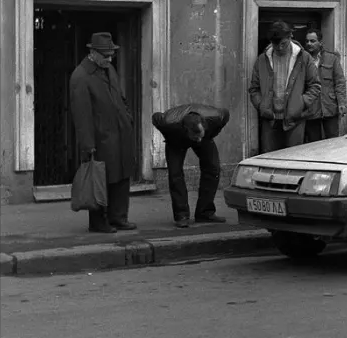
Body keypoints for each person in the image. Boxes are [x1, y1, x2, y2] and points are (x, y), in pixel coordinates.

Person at [69, 32, 137, 233]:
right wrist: (87, 145)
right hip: (101, 139)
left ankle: (118, 218)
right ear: (92, 53)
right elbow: (81, 116)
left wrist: (128, 118)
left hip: (121, 134)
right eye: (105, 55)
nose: (110, 58)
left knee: (122, 177)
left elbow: (121, 97)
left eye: (111, 54)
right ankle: (98, 222)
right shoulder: (80, 76)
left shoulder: (109, 69)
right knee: (101, 179)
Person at [152, 104, 230, 228]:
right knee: (175, 174)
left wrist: (208, 135)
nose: (197, 140)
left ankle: (205, 213)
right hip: (176, 139)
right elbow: (155, 117)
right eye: (195, 137)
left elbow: (226, 113)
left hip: (206, 135)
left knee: (213, 168)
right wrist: (169, 136)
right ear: (186, 130)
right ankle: (181, 215)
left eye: (199, 135)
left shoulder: (216, 117)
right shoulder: (168, 122)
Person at [249, 21, 321, 153]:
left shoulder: (304, 58)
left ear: (290, 37)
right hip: (270, 118)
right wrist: (261, 105)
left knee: (293, 158)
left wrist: (301, 103)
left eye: (283, 44)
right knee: (269, 159)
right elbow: (254, 88)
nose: (280, 48)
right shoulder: (262, 59)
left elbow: (315, 85)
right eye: (276, 45)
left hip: (295, 119)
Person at [304, 30, 347, 143]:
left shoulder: (332, 59)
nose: (309, 43)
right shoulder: (302, 60)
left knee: (333, 141)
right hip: (310, 109)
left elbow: (340, 82)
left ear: (320, 42)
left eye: (312, 41)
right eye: (307, 41)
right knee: (313, 143)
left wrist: (342, 103)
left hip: (330, 107)